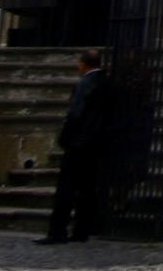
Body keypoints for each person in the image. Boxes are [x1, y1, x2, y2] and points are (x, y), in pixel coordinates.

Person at [42, 53, 112, 244]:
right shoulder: (107, 83)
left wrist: (65, 137)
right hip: (97, 142)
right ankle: (81, 231)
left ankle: (57, 231)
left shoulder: (85, 84)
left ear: (83, 64)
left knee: (67, 188)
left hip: (78, 142)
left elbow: (75, 113)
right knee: (87, 189)